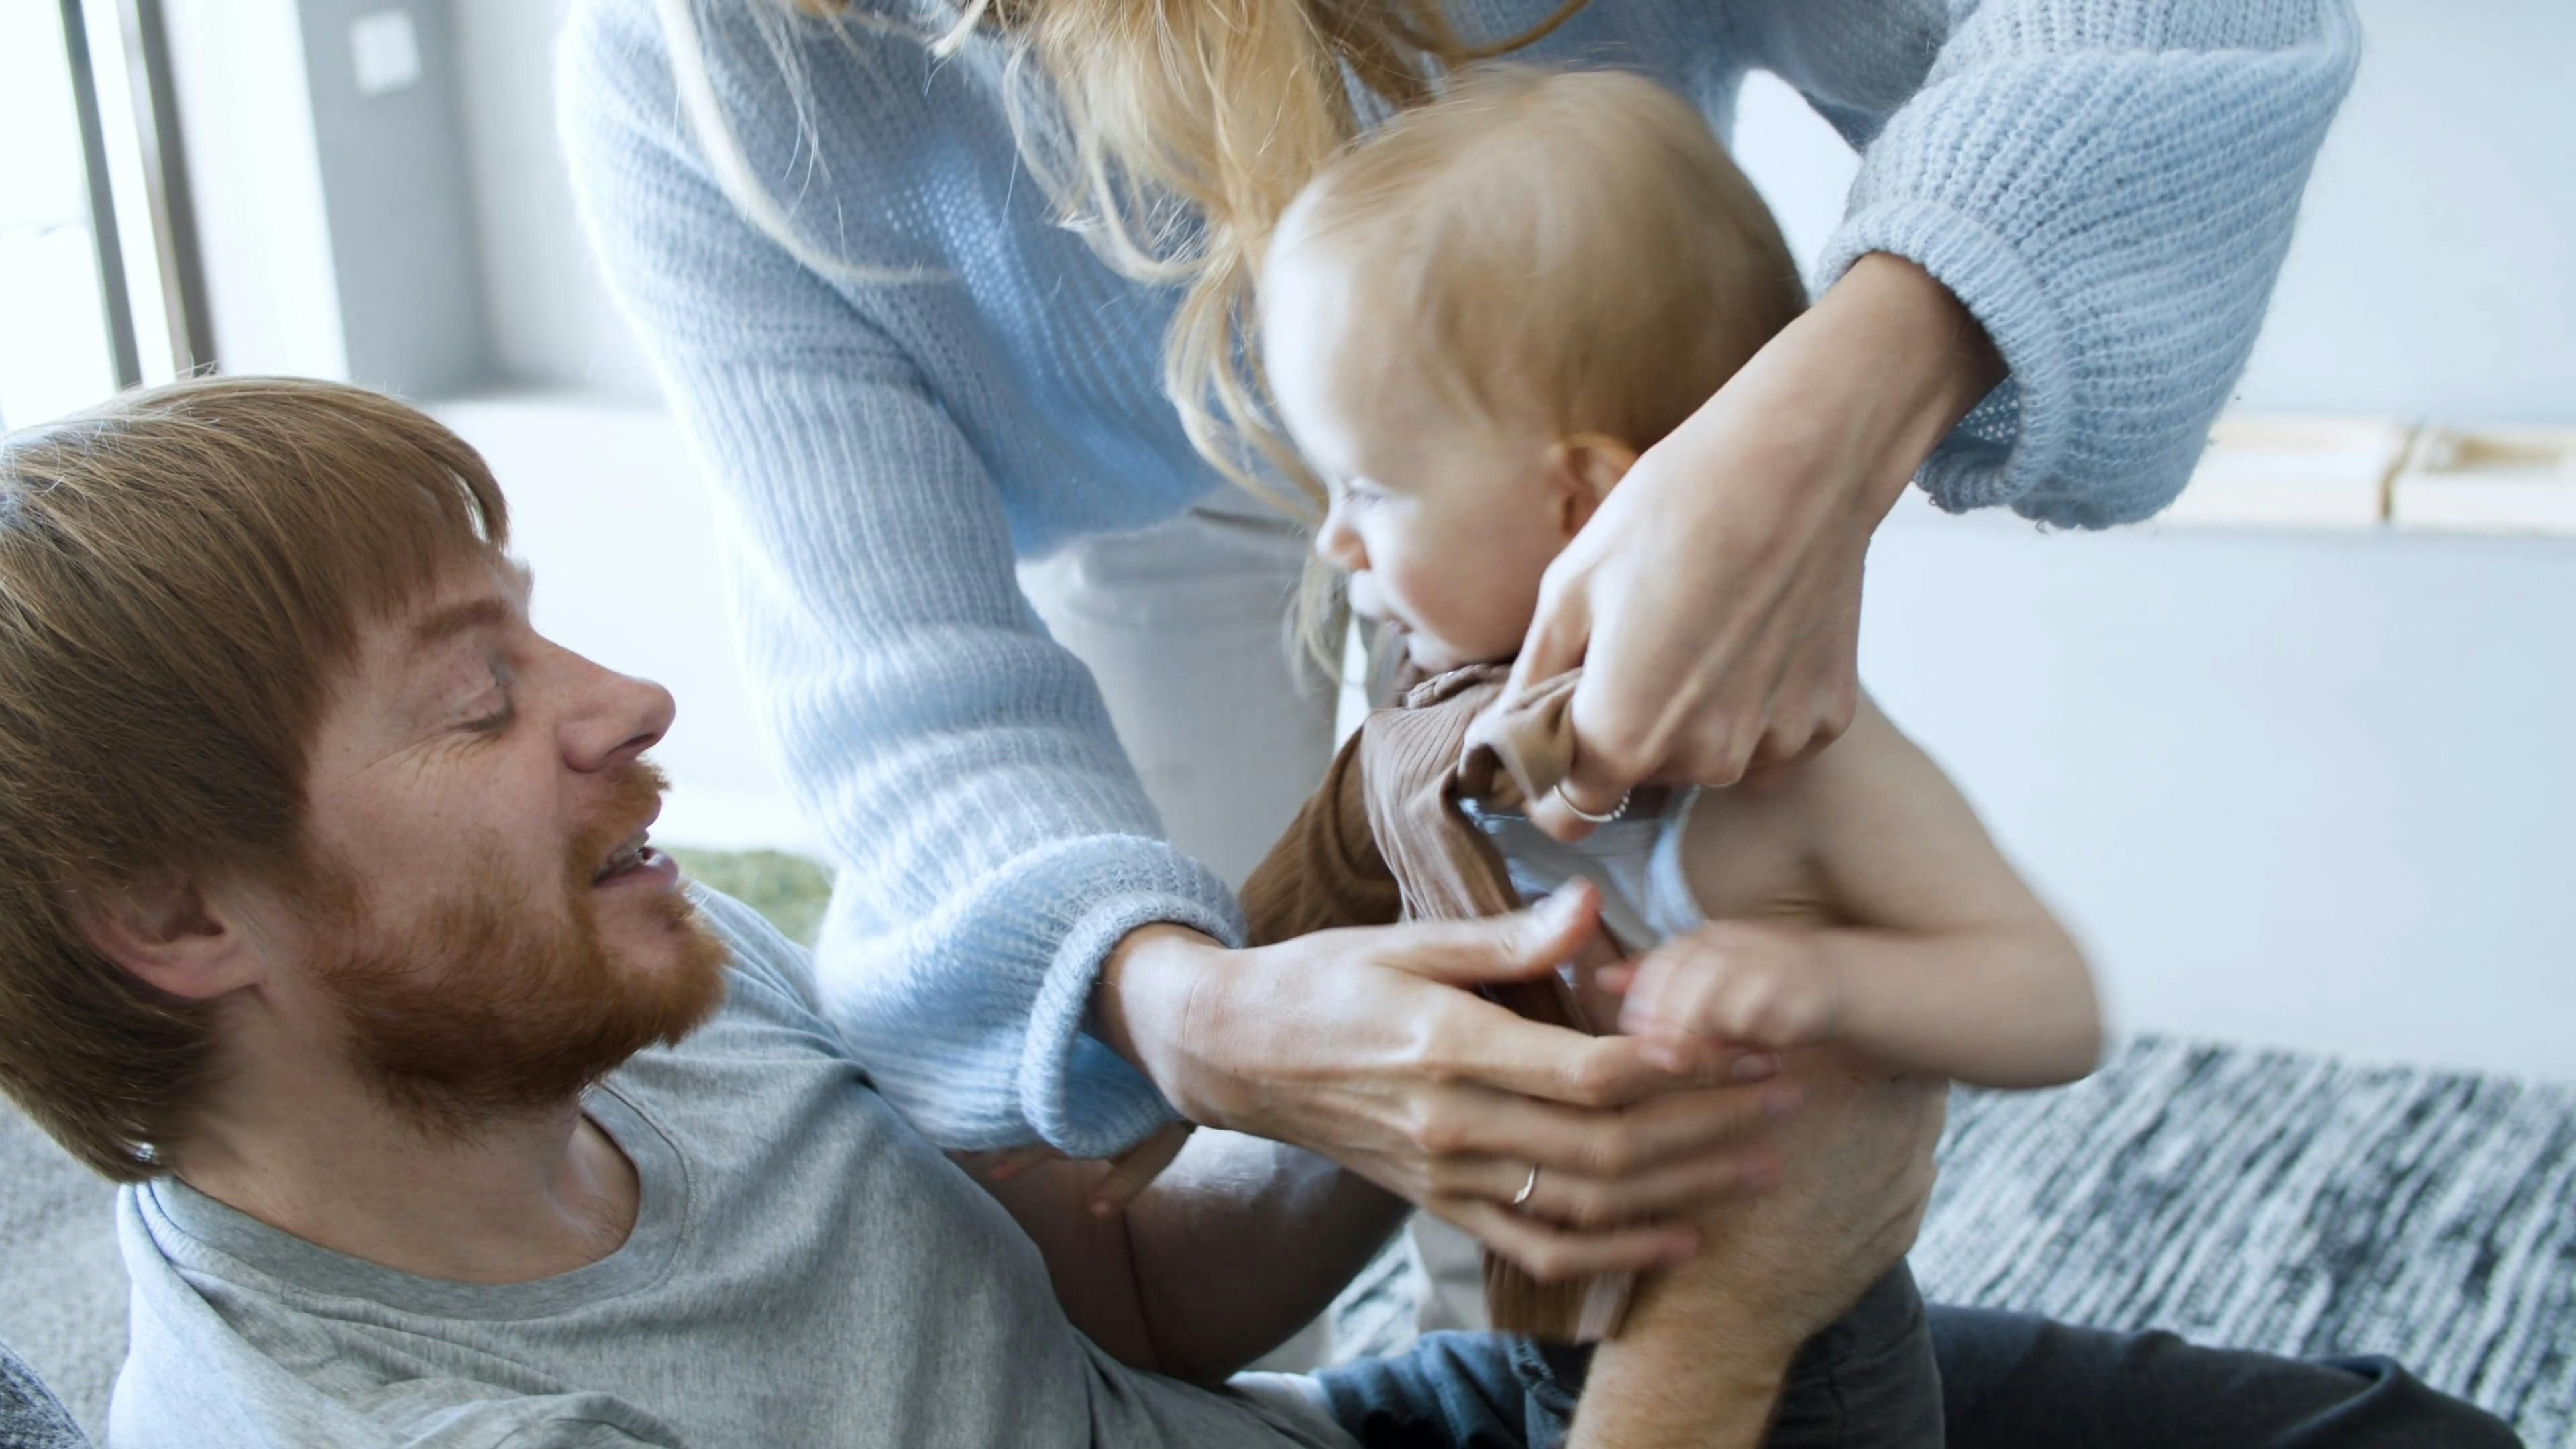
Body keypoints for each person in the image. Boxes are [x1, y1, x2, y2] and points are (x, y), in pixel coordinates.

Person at [0, 378, 2517, 1448]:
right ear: (168, 915)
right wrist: (1731, 1331)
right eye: (475, 698)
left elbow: (1104, 1299)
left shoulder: (619, 983)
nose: (629, 695)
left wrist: (1441, 1035)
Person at [556, 0, 2364, 1307]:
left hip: (1532, 444)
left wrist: (1831, 416)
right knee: (1186, 1167)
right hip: (1196, 524)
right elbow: (906, 691)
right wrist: (1192, 1012)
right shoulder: (679, 82)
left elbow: (2200, 24)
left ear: (1585, 484)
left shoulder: (1805, 785)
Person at [1232, 69, 2101, 1442]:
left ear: (1582, 495)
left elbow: (2056, 1005)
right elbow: (1287, 930)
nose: (1335, 542)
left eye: (1371, 489)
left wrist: (1821, 979)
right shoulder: (1434, 720)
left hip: (1800, 1381)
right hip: (1521, 1331)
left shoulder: (1802, 766)